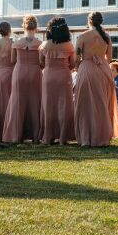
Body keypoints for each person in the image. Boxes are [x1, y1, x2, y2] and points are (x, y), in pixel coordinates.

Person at [73, 12, 118, 147]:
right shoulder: (106, 37)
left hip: (87, 69)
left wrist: (79, 68)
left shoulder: (82, 36)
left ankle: (86, 138)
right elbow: (109, 58)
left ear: (89, 21)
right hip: (103, 70)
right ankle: (102, 136)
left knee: (85, 104)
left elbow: (77, 58)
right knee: (102, 104)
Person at [2, 15, 44, 144]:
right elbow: (41, 62)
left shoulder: (17, 43)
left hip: (19, 72)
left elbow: (12, 60)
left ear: (23, 26)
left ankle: (16, 135)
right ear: (36, 27)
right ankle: (36, 136)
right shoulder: (40, 44)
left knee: (17, 103)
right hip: (35, 73)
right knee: (35, 102)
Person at [39, 17, 76, 145]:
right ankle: (62, 137)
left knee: (48, 105)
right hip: (64, 76)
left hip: (48, 76)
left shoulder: (45, 45)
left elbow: (41, 63)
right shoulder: (69, 45)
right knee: (64, 106)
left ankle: (48, 136)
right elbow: (73, 64)